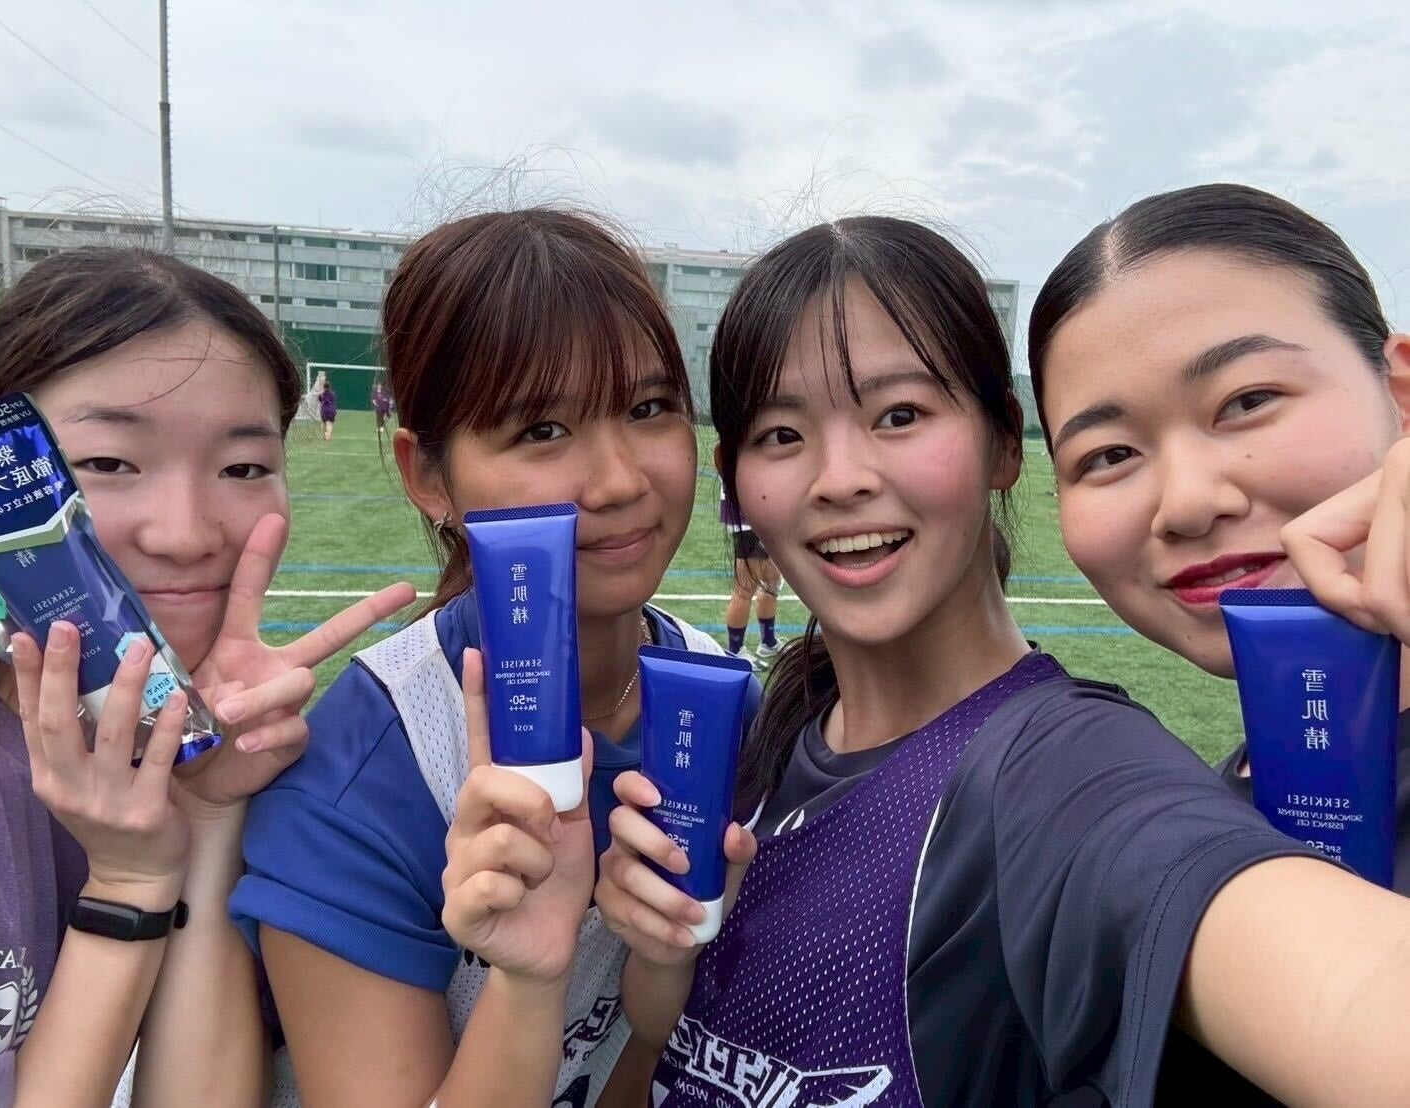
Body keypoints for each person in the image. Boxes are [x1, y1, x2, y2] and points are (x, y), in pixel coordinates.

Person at [576, 216, 1410, 1107]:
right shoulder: (758, 738)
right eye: (781, 434)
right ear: (735, 479)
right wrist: (661, 979)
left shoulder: (1066, 776)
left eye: (900, 415)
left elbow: (1355, 996)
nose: (839, 478)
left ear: (1004, 443)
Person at [231, 208, 759, 1107]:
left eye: (647, 409)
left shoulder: (723, 701)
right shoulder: (358, 778)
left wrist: (667, 980)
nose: (620, 480)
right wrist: (525, 979)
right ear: (427, 476)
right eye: (540, 429)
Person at [0, 247, 414, 1107]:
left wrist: (208, 812)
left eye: (243, 469)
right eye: (110, 463)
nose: (186, 534)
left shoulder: (277, 768)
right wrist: (128, 883)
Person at [1028, 182, 1410, 898]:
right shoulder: (1188, 833)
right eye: (1108, 455)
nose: (1187, 504)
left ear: (1401, 397)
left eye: (1247, 401)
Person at [718, 478, 783, 666]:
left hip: (761, 513)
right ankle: (735, 651)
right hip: (747, 516)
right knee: (745, 588)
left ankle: (768, 642)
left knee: (772, 582)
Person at [371, 380, 394, 449]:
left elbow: (388, 399)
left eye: (380, 386)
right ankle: (379, 427)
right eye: (378, 386)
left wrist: (388, 403)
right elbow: (374, 399)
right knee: (378, 417)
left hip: (384, 407)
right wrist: (376, 404)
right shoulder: (375, 393)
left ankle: (382, 427)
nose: (379, 387)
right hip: (378, 407)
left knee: (383, 417)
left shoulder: (384, 392)